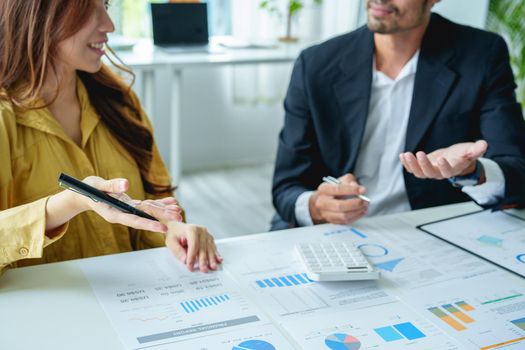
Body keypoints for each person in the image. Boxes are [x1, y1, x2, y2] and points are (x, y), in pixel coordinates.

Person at [0, 0, 222, 275]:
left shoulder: (119, 103)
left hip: (130, 301)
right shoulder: (4, 119)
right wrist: (71, 202)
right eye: (89, 10)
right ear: (41, 14)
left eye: (105, 6)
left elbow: (156, 197)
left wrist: (171, 230)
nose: (109, 25)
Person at [271, 0, 525, 229]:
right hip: (333, 231)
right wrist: (317, 206)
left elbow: (516, 171)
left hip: (430, 229)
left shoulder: (481, 55)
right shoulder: (315, 63)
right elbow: (286, 186)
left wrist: (473, 171)